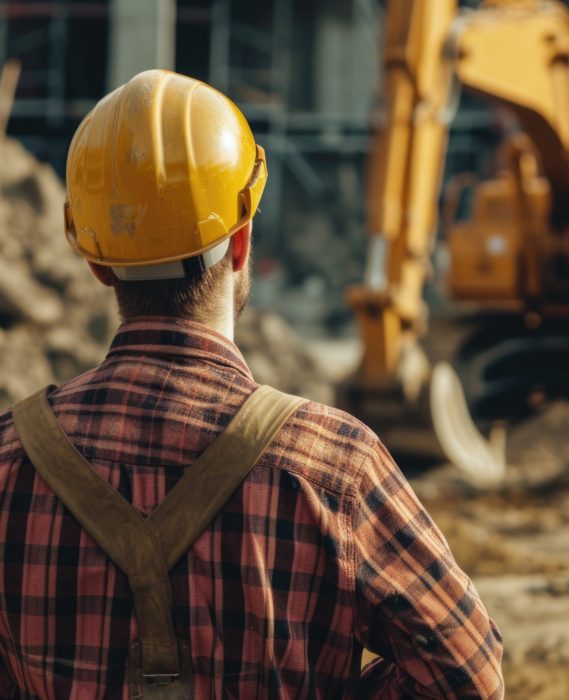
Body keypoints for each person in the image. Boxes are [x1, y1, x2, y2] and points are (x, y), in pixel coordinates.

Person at [0, 69, 504, 699]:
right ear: (240, 243)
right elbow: (468, 674)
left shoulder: (12, 462)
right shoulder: (333, 464)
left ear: (98, 264)